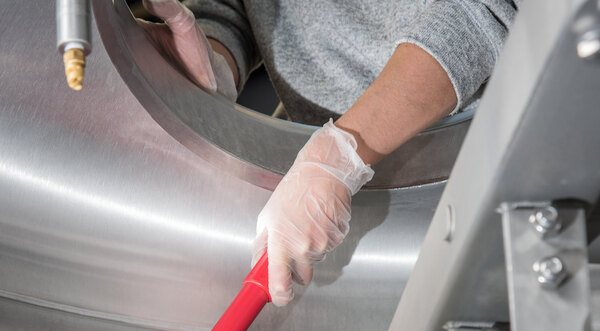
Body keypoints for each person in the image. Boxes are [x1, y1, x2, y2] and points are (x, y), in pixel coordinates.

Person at [138, 0, 519, 306]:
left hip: (472, 184)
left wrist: (343, 153)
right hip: (310, 193)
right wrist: (217, 56)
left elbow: (485, 9)